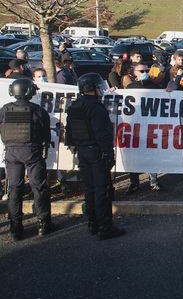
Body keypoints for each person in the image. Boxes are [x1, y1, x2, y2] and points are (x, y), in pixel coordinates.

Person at [65, 73, 125, 240]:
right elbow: (102, 134)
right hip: (96, 152)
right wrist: (108, 153)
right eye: (99, 86)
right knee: (102, 190)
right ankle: (105, 227)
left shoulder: (75, 106)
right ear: (92, 88)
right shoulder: (96, 108)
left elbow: (69, 133)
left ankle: (92, 223)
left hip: (82, 152)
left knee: (89, 189)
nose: (101, 90)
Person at [0, 78, 55, 240]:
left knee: (14, 190)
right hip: (32, 152)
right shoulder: (37, 110)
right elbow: (46, 134)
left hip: (11, 152)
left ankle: (15, 227)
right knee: (38, 187)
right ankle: (44, 224)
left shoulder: (5, 110)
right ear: (29, 92)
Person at [125, 62, 162, 192]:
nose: (144, 73)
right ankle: (134, 183)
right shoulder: (130, 87)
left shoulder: (155, 87)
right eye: (141, 71)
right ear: (135, 73)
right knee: (134, 156)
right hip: (135, 127)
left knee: (152, 155)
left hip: (151, 126)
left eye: (146, 70)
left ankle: (153, 181)